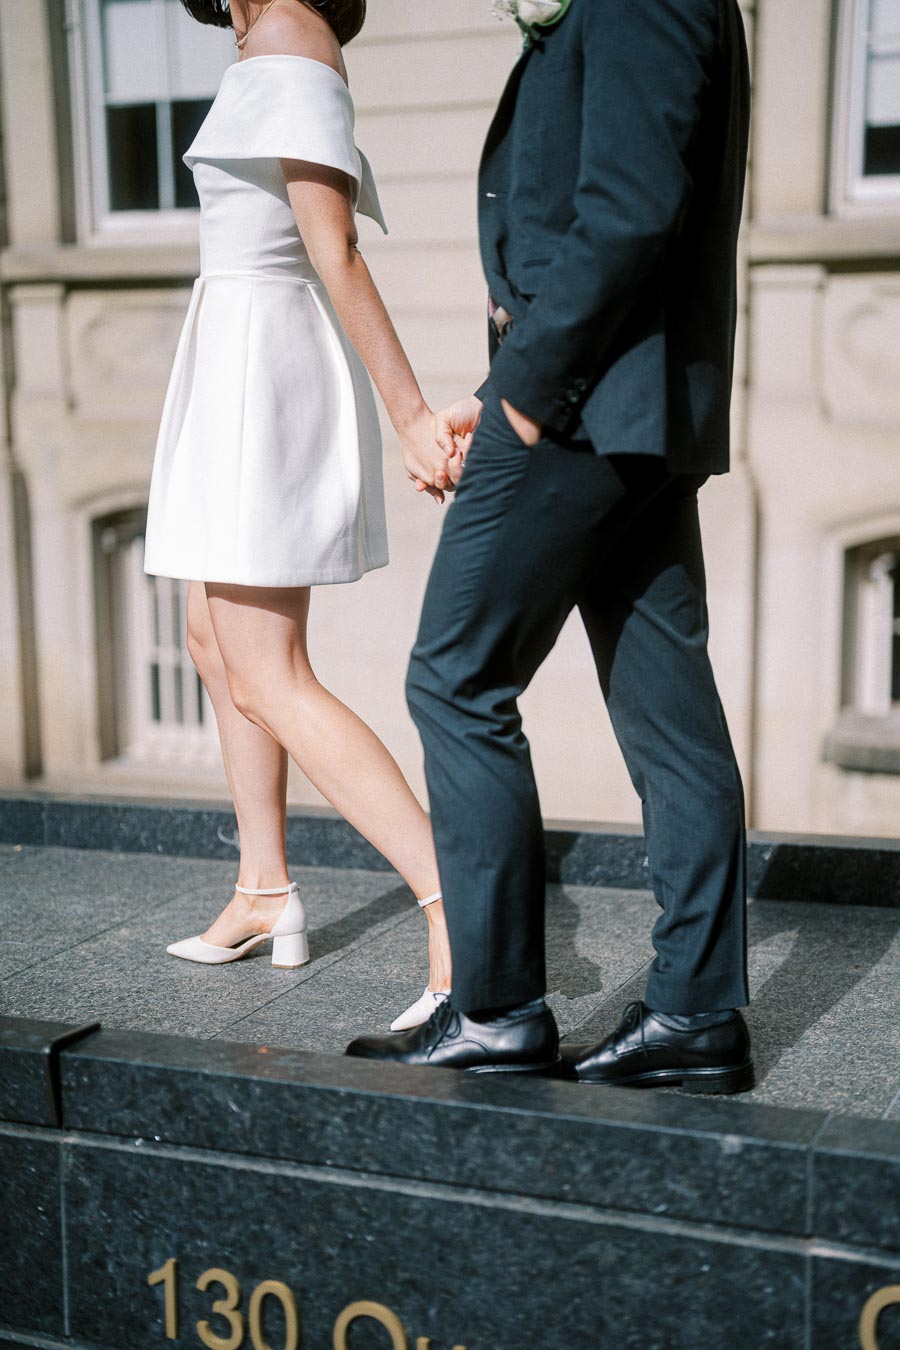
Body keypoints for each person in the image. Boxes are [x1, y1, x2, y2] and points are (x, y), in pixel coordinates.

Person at [346, 0, 756, 1092]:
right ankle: (699, 1013)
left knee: (456, 679)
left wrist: (526, 395)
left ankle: (498, 1010)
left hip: (584, 408)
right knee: (668, 715)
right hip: (624, 408)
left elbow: (629, 208)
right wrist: (502, 388)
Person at [144, 0, 456, 1029]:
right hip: (232, 349)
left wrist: (411, 415)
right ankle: (265, 888)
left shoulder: (289, 37)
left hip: (261, 367)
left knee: (270, 674)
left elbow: (336, 250)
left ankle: (460, 911)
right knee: (211, 639)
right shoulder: (260, 43)